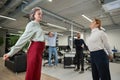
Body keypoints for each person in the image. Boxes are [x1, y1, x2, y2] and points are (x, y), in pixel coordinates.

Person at [3, 7, 45, 80]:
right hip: (34, 51)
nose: (41, 15)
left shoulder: (38, 25)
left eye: (41, 14)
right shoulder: (32, 24)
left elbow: (36, 40)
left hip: (38, 52)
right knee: (31, 73)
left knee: (36, 73)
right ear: (33, 15)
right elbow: (22, 40)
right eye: (39, 14)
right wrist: (10, 53)